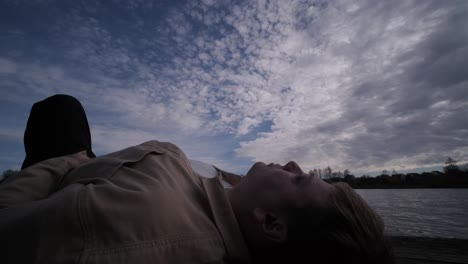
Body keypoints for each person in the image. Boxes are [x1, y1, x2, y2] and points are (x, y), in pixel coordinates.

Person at [0, 95, 393, 264]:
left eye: (298, 180)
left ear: (270, 222)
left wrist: (70, 160)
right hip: (109, 174)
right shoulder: (239, 197)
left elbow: (8, 220)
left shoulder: (135, 227)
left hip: (66, 173)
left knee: (61, 110)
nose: (292, 163)